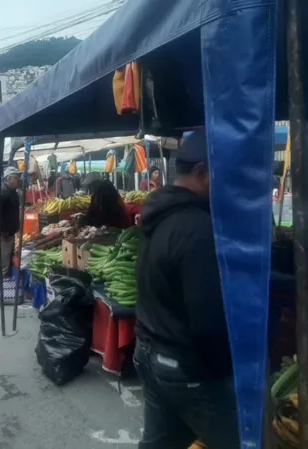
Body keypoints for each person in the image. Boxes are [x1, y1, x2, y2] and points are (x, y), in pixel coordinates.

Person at [135, 129, 239, 448]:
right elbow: (208, 321)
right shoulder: (196, 227)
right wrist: (227, 372)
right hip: (183, 364)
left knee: (160, 443)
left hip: (149, 351)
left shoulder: (158, 212)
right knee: (242, 440)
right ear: (202, 172)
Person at [0, 167, 21, 277]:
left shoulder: (12, 191)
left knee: (7, 261)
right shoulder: (4, 192)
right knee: (4, 264)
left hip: (10, 232)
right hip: (5, 233)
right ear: (9, 179)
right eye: (16, 178)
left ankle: (6, 281)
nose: (18, 180)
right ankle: (2, 283)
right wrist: (3, 230)